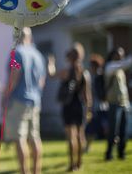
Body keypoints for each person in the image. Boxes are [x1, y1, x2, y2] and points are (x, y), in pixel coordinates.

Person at [3, 27, 46, 174]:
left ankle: (24, 172)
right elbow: (41, 81)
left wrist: (5, 94)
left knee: (19, 138)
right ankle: (36, 171)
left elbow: (14, 74)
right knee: (35, 137)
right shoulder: (38, 55)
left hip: (19, 100)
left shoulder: (16, 53)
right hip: (35, 100)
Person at [49, 43, 92, 172]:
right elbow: (87, 95)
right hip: (80, 106)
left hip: (68, 106)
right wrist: (89, 110)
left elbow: (51, 75)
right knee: (80, 136)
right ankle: (79, 163)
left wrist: (50, 62)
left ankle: (72, 165)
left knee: (71, 137)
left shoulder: (66, 72)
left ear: (70, 57)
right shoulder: (85, 73)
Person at [104, 47, 132, 161]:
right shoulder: (110, 67)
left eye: (122, 55)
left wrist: (128, 103)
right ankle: (109, 153)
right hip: (114, 103)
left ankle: (121, 153)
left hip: (124, 103)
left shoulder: (121, 71)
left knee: (123, 131)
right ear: (113, 56)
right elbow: (124, 64)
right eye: (118, 55)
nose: (120, 57)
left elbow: (124, 88)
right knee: (113, 130)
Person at [85, 54, 108, 152]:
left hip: (101, 107)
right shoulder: (93, 77)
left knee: (105, 128)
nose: (90, 67)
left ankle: (113, 145)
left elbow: (102, 92)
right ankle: (87, 147)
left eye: (91, 65)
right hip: (96, 107)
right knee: (91, 129)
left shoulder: (100, 76)